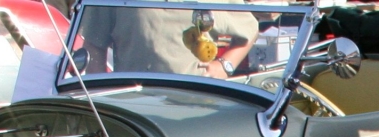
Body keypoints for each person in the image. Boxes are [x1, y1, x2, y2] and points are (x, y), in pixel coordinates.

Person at [79, 4, 260, 79]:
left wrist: (224, 66)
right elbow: (94, 46)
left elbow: (250, 29)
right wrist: (100, 99)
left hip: (198, 101)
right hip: (134, 103)